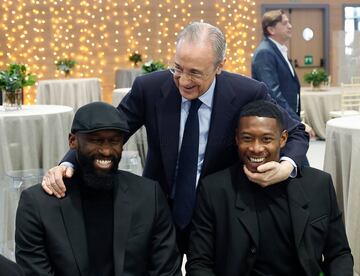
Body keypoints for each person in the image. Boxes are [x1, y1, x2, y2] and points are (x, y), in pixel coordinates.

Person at [42, 22, 309, 254]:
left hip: (218, 210)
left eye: (195, 72)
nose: (183, 81)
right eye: (177, 68)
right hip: (160, 206)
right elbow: (109, 132)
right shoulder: (149, 88)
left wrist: (286, 168)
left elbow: (296, 131)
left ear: (219, 67)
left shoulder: (246, 92)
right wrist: (69, 163)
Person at [186, 100, 353, 276]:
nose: (256, 148)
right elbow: (199, 263)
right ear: (236, 138)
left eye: (266, 139)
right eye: (247, 138)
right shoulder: (214, 189)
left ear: (282, 139)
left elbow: (339, 254)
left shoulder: (318, 184)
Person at [15, 102, 181, 276]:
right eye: (96, 140)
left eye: (114, 141)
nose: (107, 151)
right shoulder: (37, 204)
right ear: (73, 141)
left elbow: (167, 270)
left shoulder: (149, 195)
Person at [252, 9, 315, 137]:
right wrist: (297, 122)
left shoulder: (278, 50)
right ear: (271, 30)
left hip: (285, 118)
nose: (290, 26)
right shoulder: (265, 52)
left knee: (295, 155)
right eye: (285, 23)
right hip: (278, 120)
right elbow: (273, 93)